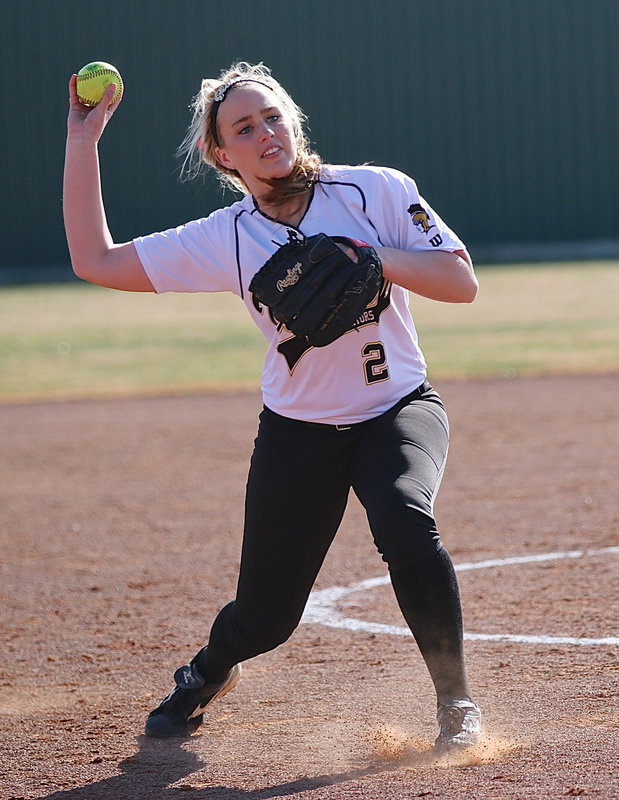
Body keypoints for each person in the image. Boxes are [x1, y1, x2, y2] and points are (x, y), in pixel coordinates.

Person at [64, 61, 482, 752]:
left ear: (294, 123)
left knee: (404, 518)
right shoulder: (225, 237)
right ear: (220, 155)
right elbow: (95, 262)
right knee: (266, 617)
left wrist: (370, 255)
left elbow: (460, 282)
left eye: (273, 117)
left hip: (398, 407)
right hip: (299, 433)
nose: (265, 133)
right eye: (244, 128)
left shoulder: (374, 191)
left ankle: (455, 704)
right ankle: (206, 672)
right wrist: (83, 142)